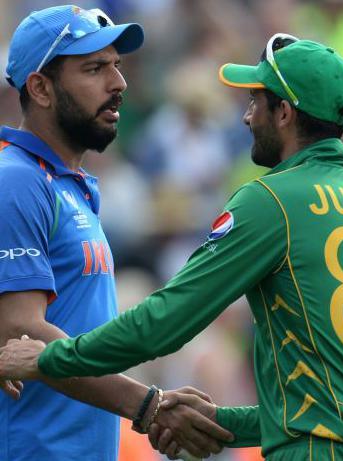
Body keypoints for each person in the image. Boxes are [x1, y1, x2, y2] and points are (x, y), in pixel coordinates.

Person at [0, 33, 343, 461]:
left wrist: (49, 359)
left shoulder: (272, 200)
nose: (247, 117)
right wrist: (217, 423)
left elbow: (166, 322)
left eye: (255, 101)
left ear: (284, 113)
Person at [0, 5, 231, 460]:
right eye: (94, 68)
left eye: (117, 66)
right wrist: (148, 405)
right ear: (41, 88)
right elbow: (17, 329)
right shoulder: (16, 179)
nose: (118, 84)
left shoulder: (71, 187)